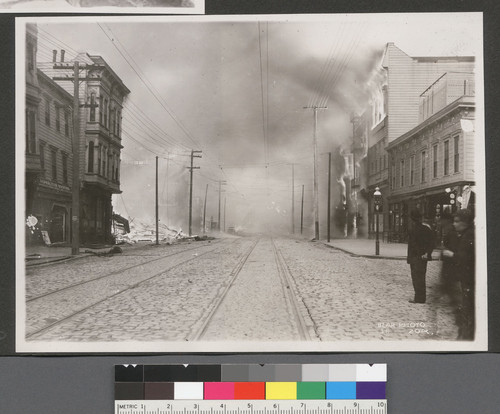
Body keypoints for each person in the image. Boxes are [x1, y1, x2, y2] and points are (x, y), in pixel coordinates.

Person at [442, 208, 475, 340]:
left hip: (468, 278)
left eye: (457, 221)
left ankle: (467, 338)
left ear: (465, 222)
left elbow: (466, 257)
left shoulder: (469, 235)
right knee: (465, 307)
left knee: (467, 308)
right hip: (464, 278)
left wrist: (452, 254)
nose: (454, 224)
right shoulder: (464, 234)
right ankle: (465, 335)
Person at [407, 209, 435, 304]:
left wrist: (419, 254)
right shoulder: (427, 229)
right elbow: (432, 242)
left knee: (416, 278)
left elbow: (413, 245)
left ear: (412, 219)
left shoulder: (412, 230)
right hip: (424, 257)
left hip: (415, 257)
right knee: (422, 277)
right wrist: (427, 253)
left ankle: (418, 298)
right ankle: (422, 297)